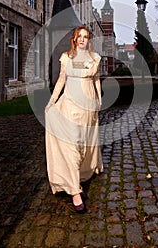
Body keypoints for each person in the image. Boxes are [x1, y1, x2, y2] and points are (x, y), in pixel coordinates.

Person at [45, 26, 103, 213]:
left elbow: (96, 80)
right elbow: (61, 80)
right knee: (71, 145)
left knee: (84, 145)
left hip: (88, 107)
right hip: (69, 107)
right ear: (74, 38)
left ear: (89, 40)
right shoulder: (66, 57)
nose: (82, 39)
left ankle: (85, 171)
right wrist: (51, 101)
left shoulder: (95, 59)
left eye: (86, 37)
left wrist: (99, 100)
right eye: (79, 36)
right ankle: (75, 191)